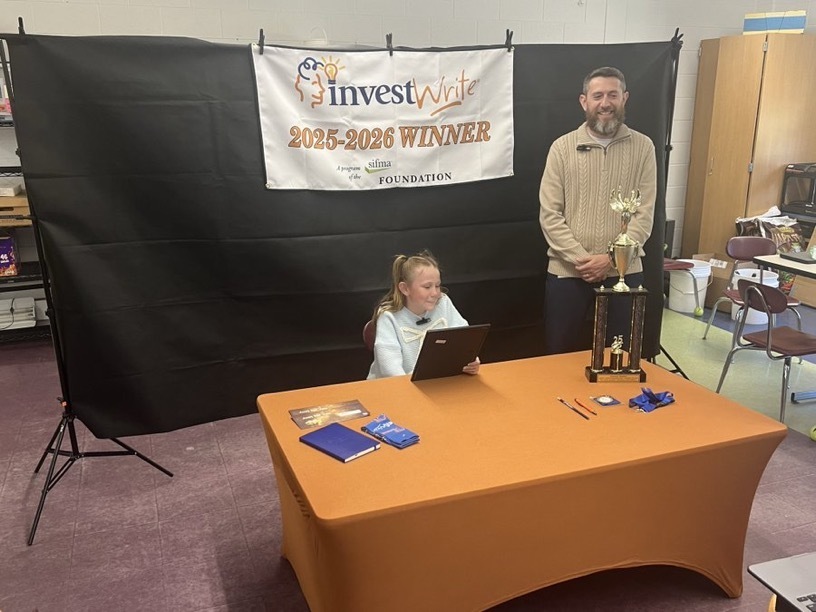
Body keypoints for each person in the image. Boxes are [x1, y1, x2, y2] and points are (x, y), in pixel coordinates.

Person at [539, 66, 656, 355]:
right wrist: (584, 260)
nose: (605, 103)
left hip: (624, 273)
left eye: (612, 95)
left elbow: (644, 215)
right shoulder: (562, 148)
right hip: (567, 271)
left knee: (620, 357)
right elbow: (550, 215)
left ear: (624, 98)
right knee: (559, 355)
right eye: (598, 95)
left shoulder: (644, 147)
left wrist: (610, 260)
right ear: (584, 101)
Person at [367, 250, 480, 379]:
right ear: (405, 289)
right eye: (427, 287)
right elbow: (390, 370)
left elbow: (464, 337)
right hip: (394, 387)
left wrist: (470, 359)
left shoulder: (443, 303)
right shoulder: (388, 317)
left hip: (435, 382)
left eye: (437, 286)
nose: (435, 293)